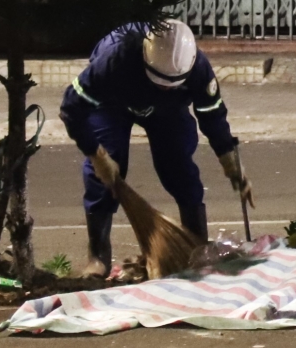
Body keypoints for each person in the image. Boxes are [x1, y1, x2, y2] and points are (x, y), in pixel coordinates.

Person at [57, 19, 253, 277]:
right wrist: (96, 154)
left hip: (167, 110)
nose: (163, 86)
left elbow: (212, 114)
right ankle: (98, 256)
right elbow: (71, 108)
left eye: (169, 83)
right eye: (159, 81)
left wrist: (230, 160)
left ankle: (194, 246)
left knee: (179, 167)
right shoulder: (115, 58)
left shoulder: (198, 67)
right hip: (112, 104)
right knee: (105, 174)